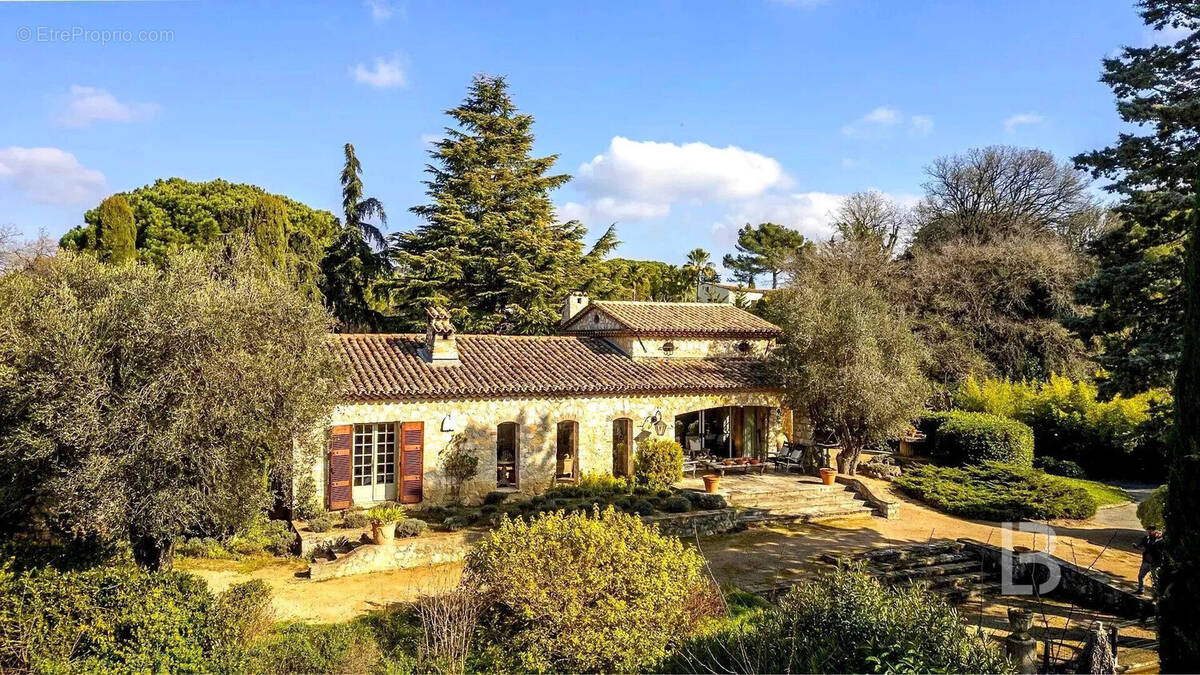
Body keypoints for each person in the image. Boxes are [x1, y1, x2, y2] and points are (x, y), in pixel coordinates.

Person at [1133, 524, 1165, 594]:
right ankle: (1141, 589)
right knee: (1140, 576)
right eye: (1148, 531)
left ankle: (1157, 593)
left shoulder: (1160, 540)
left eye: (1150, 531)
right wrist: (1137, 547)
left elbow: (1162, 551)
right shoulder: (1146, 538)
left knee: (1155, 579)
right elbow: (1141, 546)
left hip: (1155, 563)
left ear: (1155, 530)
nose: (1149, 533)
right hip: (1146, 561)